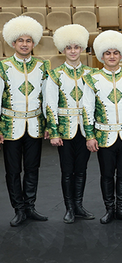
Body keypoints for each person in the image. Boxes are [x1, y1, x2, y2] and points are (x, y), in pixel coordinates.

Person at [83, 31, 122, 224]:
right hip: (104, 135)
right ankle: (109, 209)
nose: (111, 56)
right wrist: (90, 136)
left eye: (115, 52)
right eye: (107, 53)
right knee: (107, 174)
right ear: (101, 56)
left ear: (121, 55)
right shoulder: (92, 78)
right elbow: (87, 109)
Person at [0, 16, 50, 227]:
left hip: (35, 125)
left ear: (34, 42)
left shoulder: (43, 65)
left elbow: (48, 97)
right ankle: (18, 209)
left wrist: (49, 124)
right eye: (20, 40)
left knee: (32, 168)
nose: (24, 44)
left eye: (28, 40)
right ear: (13, 43)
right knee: (13, 170)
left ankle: (30, 206)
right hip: (11, 126)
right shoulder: (3, 66)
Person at [44, 24, 94, 224]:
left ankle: (79, 205)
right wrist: (54, 131)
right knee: (67, 170)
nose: (73, 51)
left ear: (82, 48)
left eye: (76, 47)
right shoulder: (55, 74)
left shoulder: (91, 73)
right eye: (69, 47)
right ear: (63, 50)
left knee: (81, 169)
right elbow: (50, 104)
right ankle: (69, 208)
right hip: (64, 129)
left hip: (85, 129)